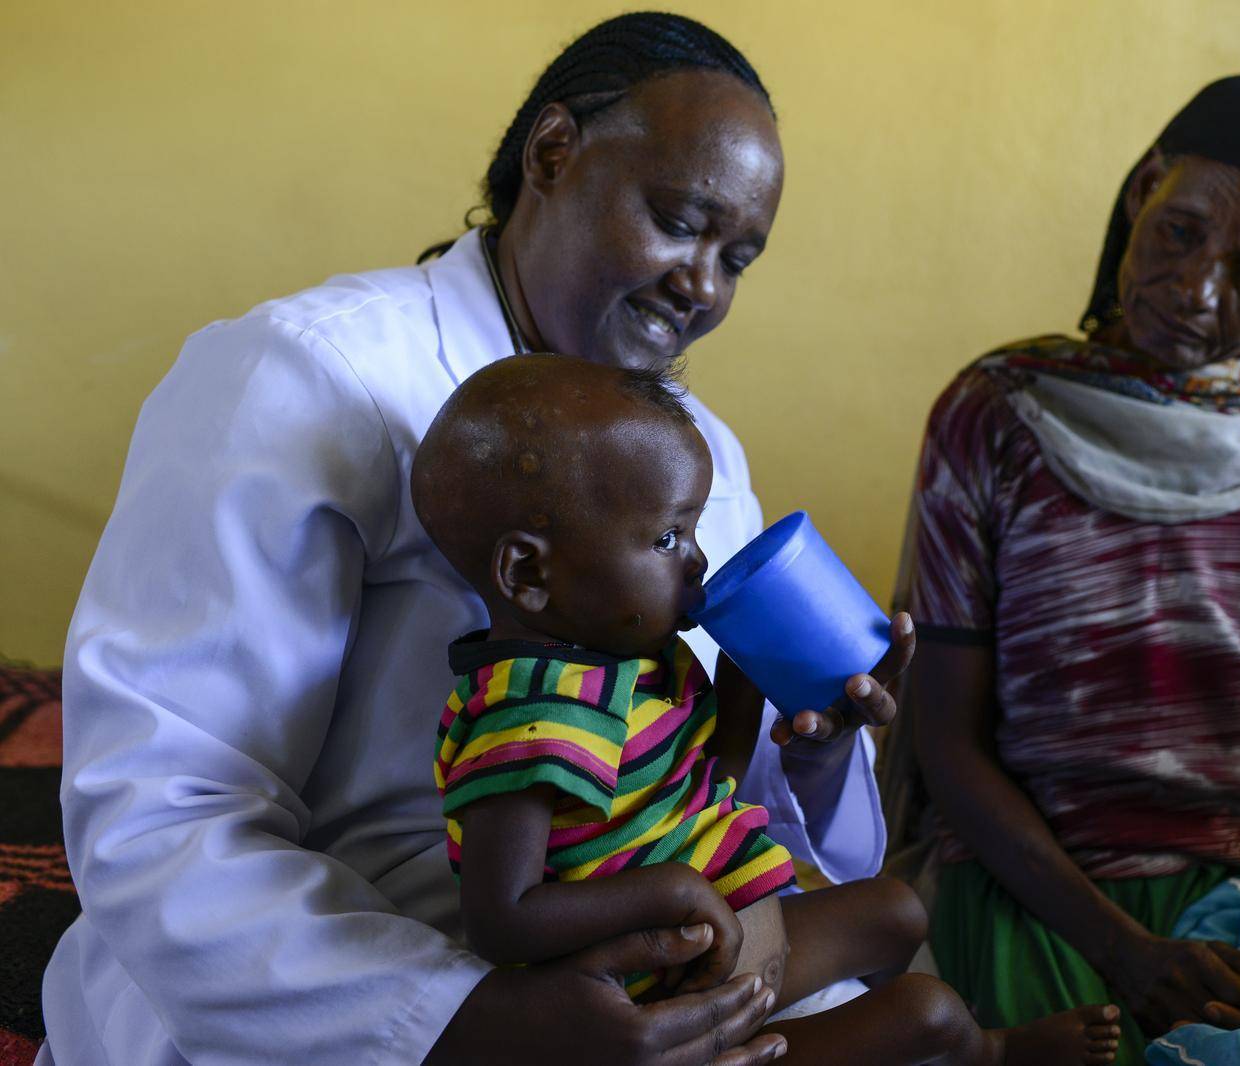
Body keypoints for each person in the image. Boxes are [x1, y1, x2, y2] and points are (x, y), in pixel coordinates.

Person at [42, 14, 911, 1066]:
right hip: (336, 1000)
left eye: (739, 258)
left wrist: (810, 747)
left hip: (648, 973)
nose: (704, 286)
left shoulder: (700, 458)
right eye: (681, 221)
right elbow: (162, 811)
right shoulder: (310, 377)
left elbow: (713, 799)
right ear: (553, 152)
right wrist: (465, 1020)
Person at [902, 71, 1240, 1064]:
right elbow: (944, 735)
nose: (1197, 291)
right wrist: (1126, 951)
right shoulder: (997, 415)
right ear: (1142, 189)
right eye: (1181, 230)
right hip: (1039, 883)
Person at [416, 353, 1124, 1066]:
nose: (695, 562)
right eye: (667, 539)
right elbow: (500, 922)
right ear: (528, 574)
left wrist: (743, 686)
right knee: (926, 1012)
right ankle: (982, 1052)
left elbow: (701, 790)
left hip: (734, 931)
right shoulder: (530, 719)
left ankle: (956, 1041)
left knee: (897, 910)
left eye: (691, 532)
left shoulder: (630, 660)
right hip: (666, 995)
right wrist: (670, 890)